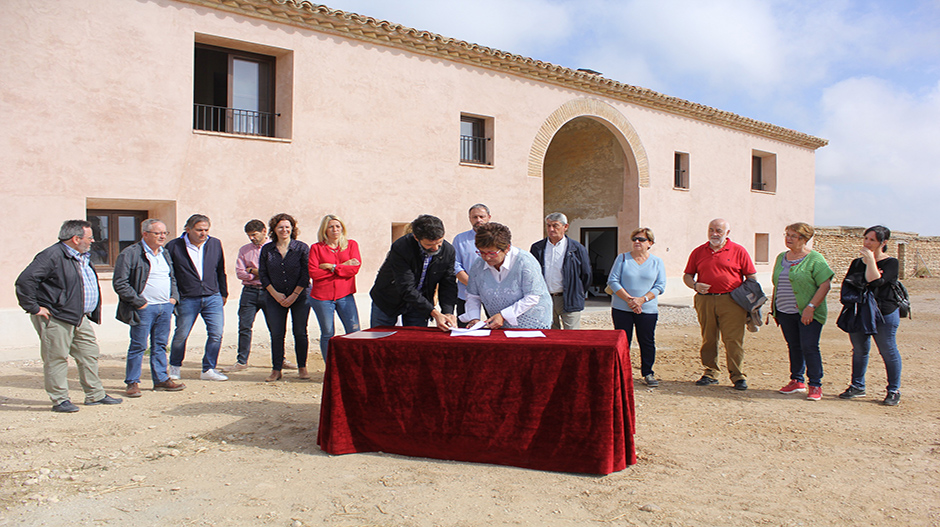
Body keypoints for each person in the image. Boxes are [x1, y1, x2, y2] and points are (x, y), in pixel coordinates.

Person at [15, 220, 122, 412]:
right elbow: (25, 281)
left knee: (89, 354)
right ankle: (60, 399)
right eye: (89, 237)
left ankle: (95, 394)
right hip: (56, 316)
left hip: (78, 316)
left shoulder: (81, 256)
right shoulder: (52, 255)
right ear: (76, 239)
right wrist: (34, 307)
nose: (93, 241)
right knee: (56, 357)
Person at [112, 219, 186, 397]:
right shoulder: (130, 253)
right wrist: (139, 302)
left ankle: (161, 379)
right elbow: (120, 283)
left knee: (160, 345)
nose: (162, 236)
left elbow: (172, 278)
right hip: (144, 309)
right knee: (138, 346)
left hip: (164, 307)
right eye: (157, 233)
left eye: (164, 233)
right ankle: (132, 382)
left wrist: (173, 298)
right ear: (145, 234)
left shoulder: (164, 253)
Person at [683, 218, 757, 390]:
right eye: (711, 230)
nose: (714, 234)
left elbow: (751, 277)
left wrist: (746, 298)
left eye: (718, 230)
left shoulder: (739, 251)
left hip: (732, 301)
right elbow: (687, 275)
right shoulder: (698, 251)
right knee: (709, 337)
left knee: (733, 340)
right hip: (705, 300)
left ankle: (738, 376)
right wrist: (695, 285)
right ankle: (710, 372)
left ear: (727, 233)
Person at [838, 225, 903, 406]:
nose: (867, 243)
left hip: (884, 312)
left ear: (883, 243)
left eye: (872, 240)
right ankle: (857, 385)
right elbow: (851, 284)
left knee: (888, 350)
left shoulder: (891, 263)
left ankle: (893, 390)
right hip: (860, 312)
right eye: (866, 238)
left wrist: (871, 262)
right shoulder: (856, 263)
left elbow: (876, 281)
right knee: (859, 350)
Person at [770, 223, 833, 401]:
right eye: (787, 234)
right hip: (785, 311)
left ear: (804, 239)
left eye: (793, 236)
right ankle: (797, 380)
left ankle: (815, 384)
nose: (788, 238)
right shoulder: (781, 257)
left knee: (809, 346)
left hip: (808, 312)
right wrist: (775, 309)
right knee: (794, 345)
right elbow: (778, 283)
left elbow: (825, 285)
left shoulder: (815, 259)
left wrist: (810, 307)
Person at [166, 214, 229, 381]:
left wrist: (223, 293)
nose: (203, 233)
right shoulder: (174, 246)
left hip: (212, 296)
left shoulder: (215, 243)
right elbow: (169, 274)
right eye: (199, 230)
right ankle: (175, 367)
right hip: (187, 298)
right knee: (182, 334)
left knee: (216, 333)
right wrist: (173, 298)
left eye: (206, 230)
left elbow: (220, 269)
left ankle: (208, 369)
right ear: (188, 229)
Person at [370, 214, 458, 330]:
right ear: (416, 237)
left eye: (439, 242)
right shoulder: (401, 247)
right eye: (429, 245)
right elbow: (406, 286)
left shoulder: (448, 251)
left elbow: (448, 283)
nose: (436, 248)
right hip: (388, 299)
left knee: (416, 342)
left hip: (420, 304)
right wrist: (435, 313)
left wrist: (448, 312)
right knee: (379, 339)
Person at [460, 222, 552, 329]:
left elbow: (532, 296)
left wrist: (503, 315)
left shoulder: (525, 262)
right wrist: (474, 318)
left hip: (533, 324)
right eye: (481, 252)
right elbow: (473, 295)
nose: (486, 258)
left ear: (507, 248)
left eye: (492, 253)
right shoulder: (478, 265)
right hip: (500, 325)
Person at [607, 227, 667, 387]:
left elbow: (660, 285)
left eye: (641, 239)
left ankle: (648, 372)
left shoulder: (657, 262)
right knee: (622, 341)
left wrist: (642, 300)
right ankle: (621, 373)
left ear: (650, 243)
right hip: (622, 308)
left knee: (646, 341)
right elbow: (612, 281)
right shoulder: (622, 259)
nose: (637, 242)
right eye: (635, 239)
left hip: (647, 309)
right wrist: (630, 300)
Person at [259, 213, 311, 381]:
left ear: (292, 229)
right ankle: (276, 369)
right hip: (275, 297)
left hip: (300, 296)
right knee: (276, 333)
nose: (284, 230)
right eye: (281, 227)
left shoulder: (302, 248)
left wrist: (294, 295)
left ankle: (302, 367)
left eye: (288, 227)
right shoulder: (267, 249)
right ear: (274, 229)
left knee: (300, 332)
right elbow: (263, 274)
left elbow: (306, 273)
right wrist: (276, 294)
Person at [225, 220, 282, 373]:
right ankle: (242, 361)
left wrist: (253, 270)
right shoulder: (244, 250)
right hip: (249, 292)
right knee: (244, 326)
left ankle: (280, 360)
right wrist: (255, 273)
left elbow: (275, 272)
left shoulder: (275, 248)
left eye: (254, 235)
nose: (252, 238)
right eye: (249, 235)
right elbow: (240, 272)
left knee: (275, 327)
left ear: (264, 231)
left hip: (270, 291)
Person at [309, 214, 361, 361]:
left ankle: (355, 364)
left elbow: (354, 269)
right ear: (325, 230)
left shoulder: (351, 245)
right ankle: (330, 367)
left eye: (337, 226)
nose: (335, 229)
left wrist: (330, 267)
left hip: (345, 295)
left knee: (354, 331)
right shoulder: (316, 248)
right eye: (331, 227)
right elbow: (314, 273)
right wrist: (343, 267)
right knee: (327, 333)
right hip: (322, 298)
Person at [530, 212, 591, 330]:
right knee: (550, 334)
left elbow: (586, 275)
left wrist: (577, 291)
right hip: (545, 299)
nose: (551, 229)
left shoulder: (577, 248)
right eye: (548, 225)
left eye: (555, 225)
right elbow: (532, 273)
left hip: (569, 298)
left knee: (571, 335)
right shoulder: (537, 248)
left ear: (565, 227)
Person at [452, 204, 491, 326]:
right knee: (465, 330)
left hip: (492, 292)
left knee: (495, 328)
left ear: (489, 217)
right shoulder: (460, 239)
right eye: (475, 217)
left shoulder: (497, 239)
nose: (478, 220)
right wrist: (473, 284)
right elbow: (456, 265)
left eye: (481, 216)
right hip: (466, 292)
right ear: (469, 218)